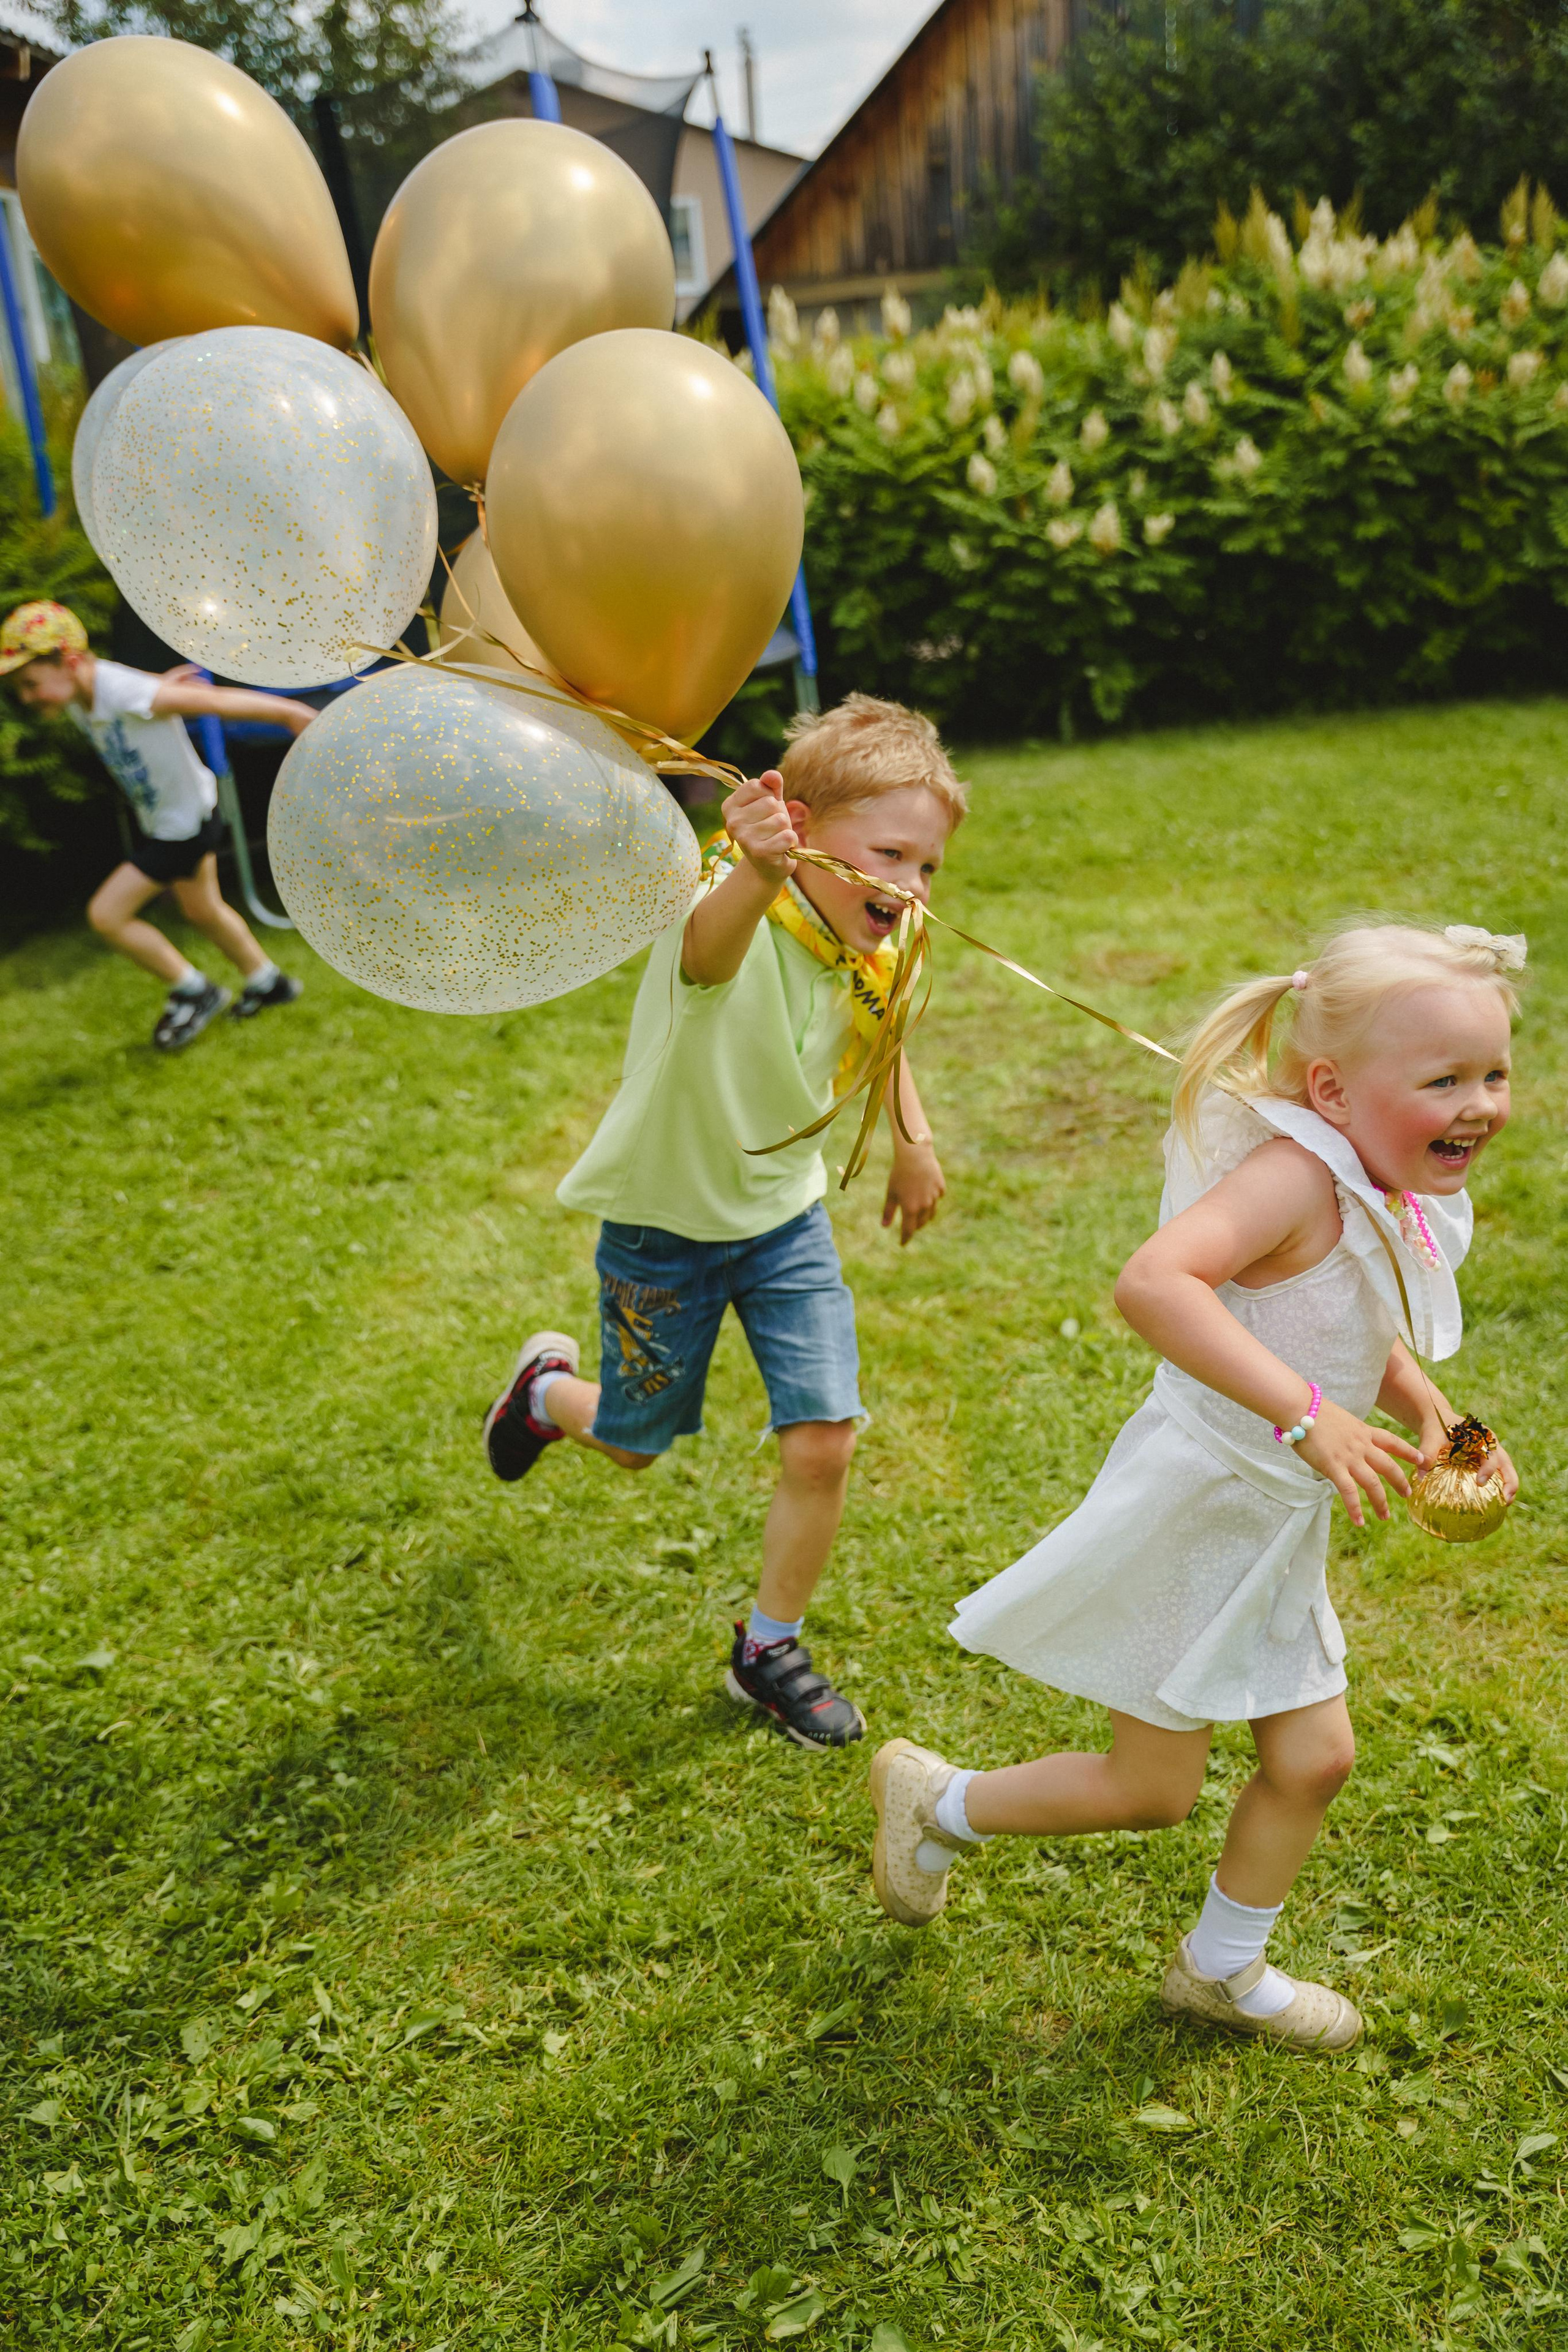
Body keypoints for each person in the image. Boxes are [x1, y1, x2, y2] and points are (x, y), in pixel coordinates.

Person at [869, 921, 1522, 2051]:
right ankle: (940, 1802)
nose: (1477, 1104)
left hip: (1273, 1521)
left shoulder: (1379, 1176)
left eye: (1494, 1075)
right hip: (1201, 1505)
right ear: (1334, 1088)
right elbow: (1155, 1283)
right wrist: (1311, 1415)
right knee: (1150, 1789)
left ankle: (1221, 1967)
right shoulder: (1291, 1176)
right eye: (1444, 1080)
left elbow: (1362, 1314)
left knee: (1316, 1759)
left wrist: (1425, 1408)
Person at [483, 695, 967, 1751]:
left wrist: (914, 1139)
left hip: (786, 1222)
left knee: (824, 1440)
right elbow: (708, 956)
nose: (912, 885)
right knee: (631, 1443)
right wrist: (753, 867)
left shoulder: (881, 935)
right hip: (665, 1231)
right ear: (795, 825)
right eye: (890, 853)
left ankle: (767, 1648)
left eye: (928, 864)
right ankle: (544, 1392)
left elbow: (881, 1025)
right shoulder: (721, 902)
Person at [1, 600, 316, 1051]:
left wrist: (288, 714)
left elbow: (214, 702)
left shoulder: (120, 692)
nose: (27, 697)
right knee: (202, 910)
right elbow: (134, 690)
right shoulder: (84, 690)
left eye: (31, 684)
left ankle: (194, 990)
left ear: (69, 663)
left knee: (107, 916)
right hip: (178, 817)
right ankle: (269, 982)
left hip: (182, 826)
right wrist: (159, 685)